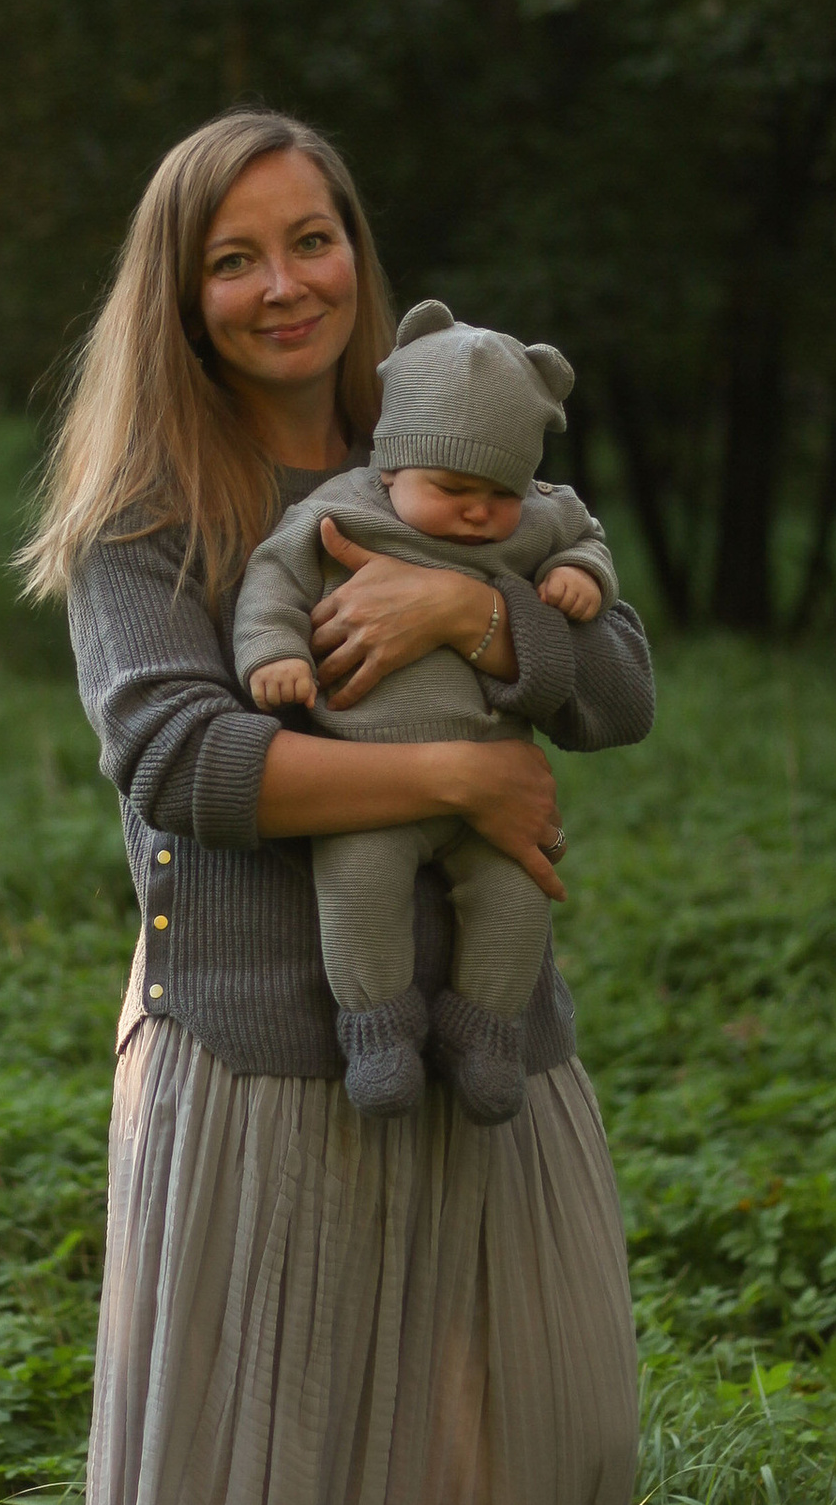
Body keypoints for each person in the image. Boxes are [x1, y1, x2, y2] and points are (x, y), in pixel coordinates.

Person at [19, 110, 652, 1505]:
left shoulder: (450, 442)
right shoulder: (150, 514)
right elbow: (182, 759)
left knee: (565, 1410)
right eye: (235, 257)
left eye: (311, 240)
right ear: (184, 292)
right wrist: (455, 786)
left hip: (488, 1018)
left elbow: (618, 687)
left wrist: (479, 602)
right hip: (257, 1029)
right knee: (274, 1453)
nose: (284, 282)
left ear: (360, 253)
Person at [230, 296, 620, 1127]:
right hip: (367, 781)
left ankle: (486, 1033)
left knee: (518, 894)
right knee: (358, 887)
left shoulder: (532, 518)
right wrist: (276, 655)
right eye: (453, 489)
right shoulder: (346, 513)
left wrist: (583, 576)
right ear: (393, 467)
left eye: (498, 493)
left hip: (496, 787)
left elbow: (584, 535)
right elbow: (273, 581)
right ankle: (376, 1031)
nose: (479, 512)